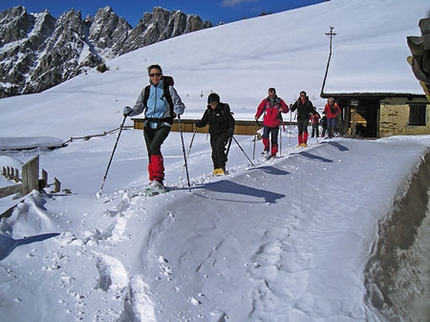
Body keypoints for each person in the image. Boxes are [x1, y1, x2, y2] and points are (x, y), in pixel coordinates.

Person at [123, 64, 185, 190]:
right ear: (149, 76)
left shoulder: (169, 89)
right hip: (148, 124)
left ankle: (158, 179)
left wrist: (179, 109)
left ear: (161, 75)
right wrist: (130, 112)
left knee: (154, 147)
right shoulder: (146, 91)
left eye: (157, 74)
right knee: (151, 152)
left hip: (164, 123)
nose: (155, 77)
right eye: (152, 75)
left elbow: (179, 104)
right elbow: (139, 107)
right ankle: (153, 180)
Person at [195, 93, 235, 176]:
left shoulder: (223, 109)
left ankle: (221, 167)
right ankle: (216, 169)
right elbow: (204, 121)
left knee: (219, 148)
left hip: (224, 132)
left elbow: (231, 120)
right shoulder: (209, 111)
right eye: (211, 104)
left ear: (218, 102)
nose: (213, 105)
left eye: (214, 103)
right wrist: (199, 123)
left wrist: (231, 129)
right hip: (213, 134)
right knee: (214, 153)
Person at [254, 88, 289, 159]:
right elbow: (260, 108)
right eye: (270, 93)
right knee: (265, 136)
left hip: (275, 123)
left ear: (275, 93)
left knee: (274, 139)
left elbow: (286, 109)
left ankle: (274, 154)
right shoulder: (265, 101)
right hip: (267, 122)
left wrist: (282, 109)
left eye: (272, 93)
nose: (271, 95)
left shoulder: (279, 101)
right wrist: (257, 115)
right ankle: (266, 149)